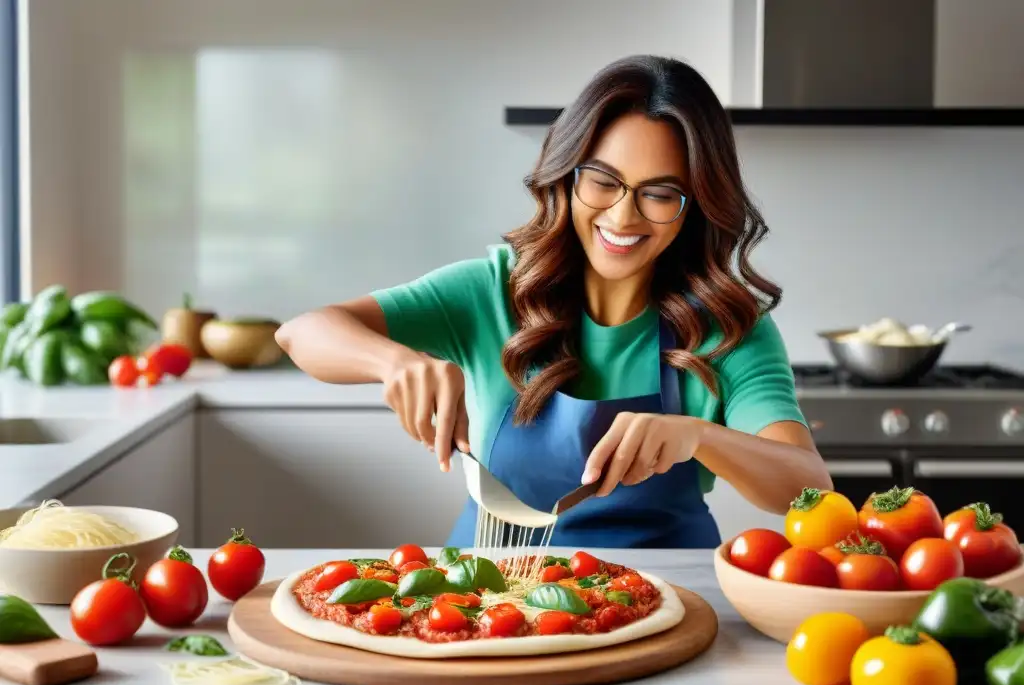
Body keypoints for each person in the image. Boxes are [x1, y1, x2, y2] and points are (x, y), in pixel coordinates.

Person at [276, 54, 832, 549]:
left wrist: (699, 436)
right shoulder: (492, 291)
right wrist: (394, 362)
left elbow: (807, 487)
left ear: (695, 206)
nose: (622, 216)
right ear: (566, 177)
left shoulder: (728, 328)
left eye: (659, 194)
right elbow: (302, 332)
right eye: (602, 180)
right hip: (484, 598)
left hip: (670, 598)